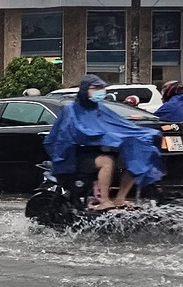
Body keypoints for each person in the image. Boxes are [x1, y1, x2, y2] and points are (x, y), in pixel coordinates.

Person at [45, 75, 164, 209]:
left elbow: (120, 126)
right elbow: (75, 132)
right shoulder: (70, 109)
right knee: (107, 161)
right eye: (95, 88)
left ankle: (120, 198)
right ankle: (104, 201)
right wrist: (107, 137)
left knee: (134, 159)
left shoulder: (100, 109)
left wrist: (146, 134)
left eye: (102, 88)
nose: (100, 91)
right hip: (73, 155)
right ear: (85, 89)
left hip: (95, 151)